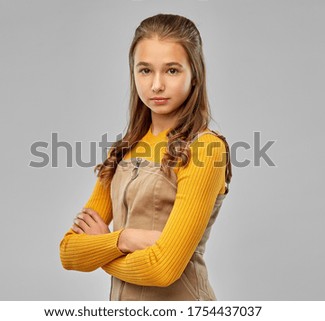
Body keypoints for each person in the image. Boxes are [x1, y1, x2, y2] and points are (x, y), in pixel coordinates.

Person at [60, 13, 232, 301]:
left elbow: (163, 269)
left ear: (195, 75)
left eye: (172, 70)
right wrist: (125, 239)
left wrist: (100, 247)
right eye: (145, 70)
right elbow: (69, 251)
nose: (156, 85)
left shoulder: (206, 149)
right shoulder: (123, 151)